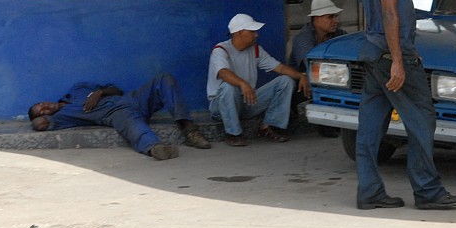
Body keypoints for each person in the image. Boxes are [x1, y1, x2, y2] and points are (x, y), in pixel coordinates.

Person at [356, 0, 456, 210]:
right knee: (421, 118)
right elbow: (389, 11)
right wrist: (398, 59)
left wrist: (403, 45)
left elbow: (384, 14)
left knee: (369, 126)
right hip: (388, 54)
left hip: (372, 50)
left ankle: (369, 191)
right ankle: (428, 191)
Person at [28, 73, 211, 160]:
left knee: (164, 79)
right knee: (131, 124)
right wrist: (36, 118)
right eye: (41, 111)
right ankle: (155, 148)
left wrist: (99, 92)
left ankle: (190, 131)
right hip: (117, 114)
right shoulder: (63, 116)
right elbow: (39, 124)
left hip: (132, 99)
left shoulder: (78, 88)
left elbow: (117, 89)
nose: (44, 108)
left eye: (40, 105)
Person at [207, 13, 310, 147]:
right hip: (221, 107)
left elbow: (279, 68)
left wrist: (300, 76)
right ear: (238, 33)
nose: (256, 35)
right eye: (252, 31)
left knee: (286, 81)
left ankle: (269, 126)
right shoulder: (221, 50)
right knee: (228, 87)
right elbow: (223, 72)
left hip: (247, 102)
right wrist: (243, 83)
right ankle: (233, 133)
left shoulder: (255, 50)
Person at [288, 0, 346, 137]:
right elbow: (311, 66)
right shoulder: (303, 38)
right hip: (304, 84)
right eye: (330, 17)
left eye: (336, 16)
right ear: (316, 19)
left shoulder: (339, 35)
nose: (335, 21)